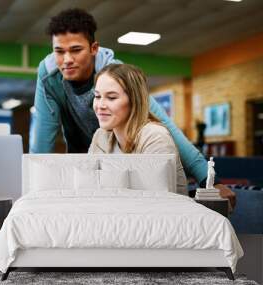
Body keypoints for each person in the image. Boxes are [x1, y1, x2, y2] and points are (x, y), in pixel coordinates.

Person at [29, 8, 236, 206]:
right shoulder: (49, 76)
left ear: (94, 49)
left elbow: (163, 123)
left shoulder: (117, 76)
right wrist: (33, 192)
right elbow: (42, 136)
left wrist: (208, 181)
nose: (67, 60)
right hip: (91, 153)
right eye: (59, 51)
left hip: (133, 159)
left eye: (76, 50)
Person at [88, 64, 187, 195]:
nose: (100, 105)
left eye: (111, 97)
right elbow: (90, 186)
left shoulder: (155, 137)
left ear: (134, 101)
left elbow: (156, 201)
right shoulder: (100, 136)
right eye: (97, 96)